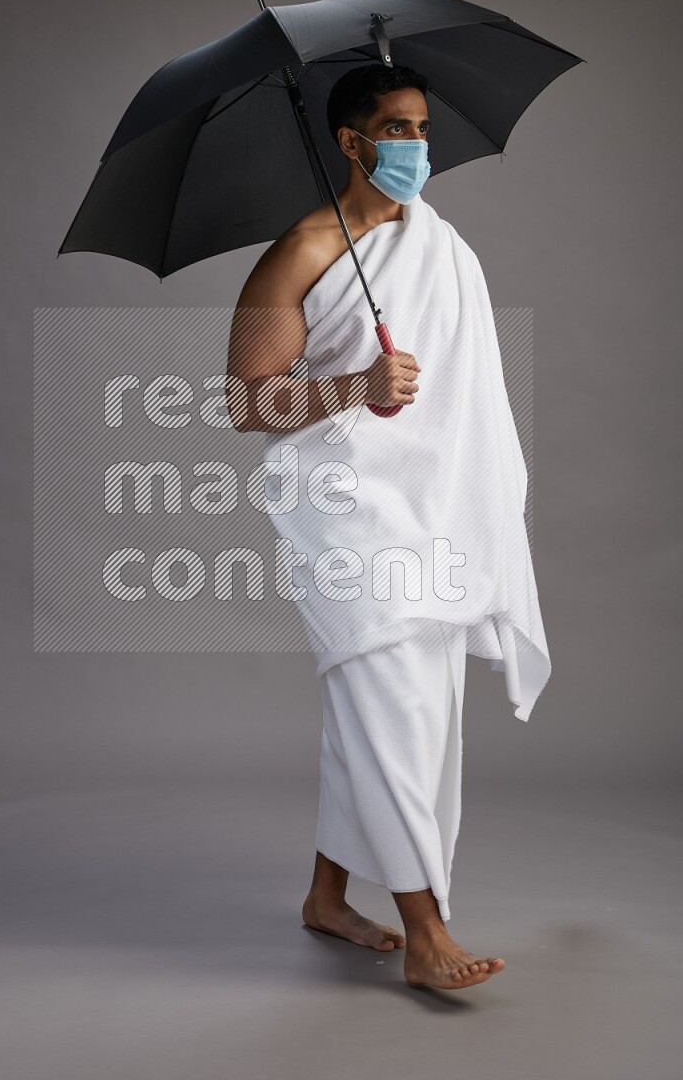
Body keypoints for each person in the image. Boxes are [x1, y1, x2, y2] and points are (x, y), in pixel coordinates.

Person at [226, 63, 549, 989]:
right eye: (397, 130)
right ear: (350, 143)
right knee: (392, 708)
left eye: (422, 128)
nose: (416, 146)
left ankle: (326, 899)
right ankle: (425, 932)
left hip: (435, 509)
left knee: (403, 712)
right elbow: (246, 405)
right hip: (345, 514)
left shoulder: (438, 245)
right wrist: (354, 389)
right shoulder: (299, 251)